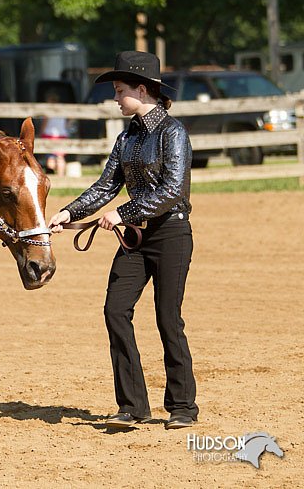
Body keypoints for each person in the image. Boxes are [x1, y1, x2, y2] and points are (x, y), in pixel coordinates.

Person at [48, 51, 198, 431]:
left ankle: (182, 406)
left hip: (170, 235)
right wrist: (69, 213)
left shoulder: (173, 132)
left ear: (142, 90)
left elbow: (172, 190)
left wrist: (124, 213)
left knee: (168, 319)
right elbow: (105, 186)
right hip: (136, 240)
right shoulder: (127, 137)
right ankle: (133, 405)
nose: (114, 98)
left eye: (119, 90)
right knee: (116, 310)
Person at [38, 91, 69, 176]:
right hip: (62, 135)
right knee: (60, 158)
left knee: (50, 158)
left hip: (49, 135)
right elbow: (68, 120)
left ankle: (51, 176)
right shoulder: (63, 110)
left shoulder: (48, 111)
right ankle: (61, 176)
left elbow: (44, 124)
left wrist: (40, 133)